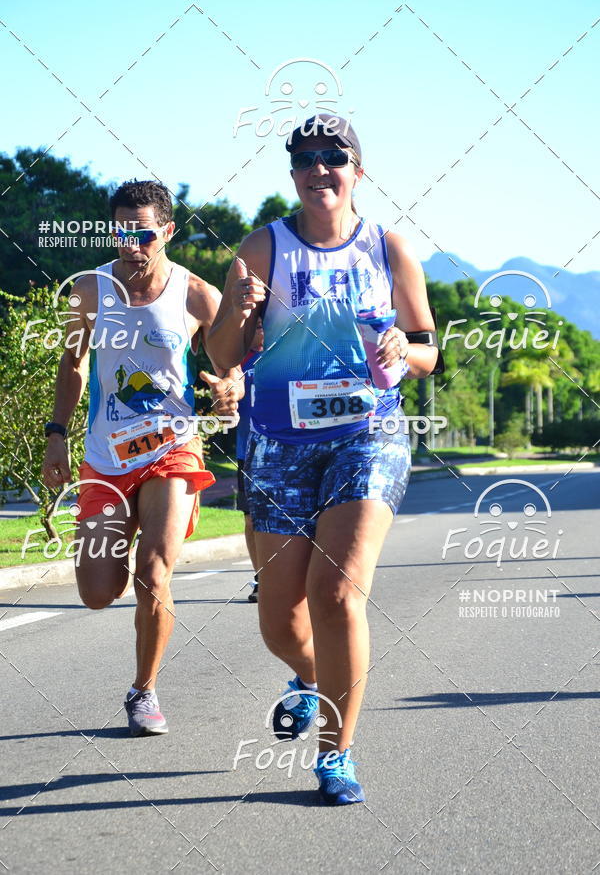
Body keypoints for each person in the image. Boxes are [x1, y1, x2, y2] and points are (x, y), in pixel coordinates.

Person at [208, 115, 442, 804]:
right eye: (304, 159)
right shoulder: (264, 246)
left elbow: (429, 348)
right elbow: (222, 356)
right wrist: (241, 311)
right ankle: (308, 678)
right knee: (281, 618)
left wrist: (404, 347)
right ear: (292, 175)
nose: (319, 169)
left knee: (336, 593)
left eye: (333, 158)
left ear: (357, 172)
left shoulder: (388, 248)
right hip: (278, 442)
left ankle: (336, 754)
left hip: (365, 434)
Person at [42, 179, 242, 737]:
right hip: (106, 456)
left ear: (168, 232)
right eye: (122, 231)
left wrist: (231, 385)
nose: (132, 243)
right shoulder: (89, 289)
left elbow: (235, 357)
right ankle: (119, 559)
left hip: (172, 449)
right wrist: (57, 435)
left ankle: (144, 691)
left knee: (154, 572)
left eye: (144, 232)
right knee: (98, 592)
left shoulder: (196, 293)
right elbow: (72, 366)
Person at [234, 319, 264, 602]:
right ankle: (262, 579)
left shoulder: (290, 353)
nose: (262, 332)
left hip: (288, 448)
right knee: (251, 519)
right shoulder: (237, 362)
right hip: (249, 452)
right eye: (256, 326)